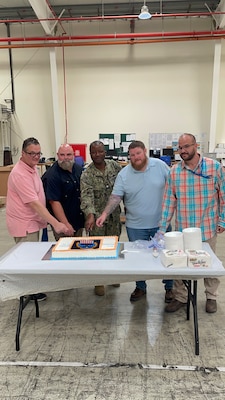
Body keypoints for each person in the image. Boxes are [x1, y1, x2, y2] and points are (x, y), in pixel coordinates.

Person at [96, 140, 173, 302]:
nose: (136, 157)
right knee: (138, 259)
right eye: (132, 155)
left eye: (138, 153)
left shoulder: (159, 166)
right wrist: (104, 214)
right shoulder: (124, 174)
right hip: (135, 226)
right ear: (128, 156)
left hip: (161, 225)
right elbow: (116, 197)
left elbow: (174, 186)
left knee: (167, 257)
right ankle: (140, 287)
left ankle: (169, 288)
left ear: (145, 151)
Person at [160, 133, 225, 313]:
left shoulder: (215, 168)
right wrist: (162, 228)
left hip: (207, 226)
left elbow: (224, 196)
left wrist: (223, 220)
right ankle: (181, 297)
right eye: (180, 148)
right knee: (180, 264)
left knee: (209, 263)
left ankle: (211, 296)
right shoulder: (174, 172)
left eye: (186, 146)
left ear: (196, 145)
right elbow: (168, 202)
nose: (183, 151)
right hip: (183, 228)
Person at [6, 137, 69, 301]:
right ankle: (26, 293)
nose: (35, 156)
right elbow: (34, 204)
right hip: (24, 224)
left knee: (32, 256)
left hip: (33, 221)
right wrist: (56, 223)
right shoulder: (20, 174)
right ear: (22, 153)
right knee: (25, 258)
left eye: (38, 153)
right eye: (31, 153)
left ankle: (30, 289)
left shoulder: (31, 168)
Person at [80, 140, 122, 296]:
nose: (97, 155)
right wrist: (90, 214)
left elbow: (123, 187)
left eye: (99, 151)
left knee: (113, 246)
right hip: (97, 218)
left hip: (113, 216)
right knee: (97, 249)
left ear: (105, 152)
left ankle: (112, 276)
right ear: (90, 154)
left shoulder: (115, 167)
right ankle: (98, 281)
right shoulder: (87, 173)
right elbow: (86, 196)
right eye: (93, 152)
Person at [42, 143, 84, 240]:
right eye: (62, 155)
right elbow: (54, 201)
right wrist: (65, 224)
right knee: (66, 250)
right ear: (58, 155)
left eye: (68, 155)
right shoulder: (52, 175)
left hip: (78, 220)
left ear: (73, 155)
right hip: (62, 223)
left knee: (78, 249)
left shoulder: (79, 170)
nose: (65, 158)